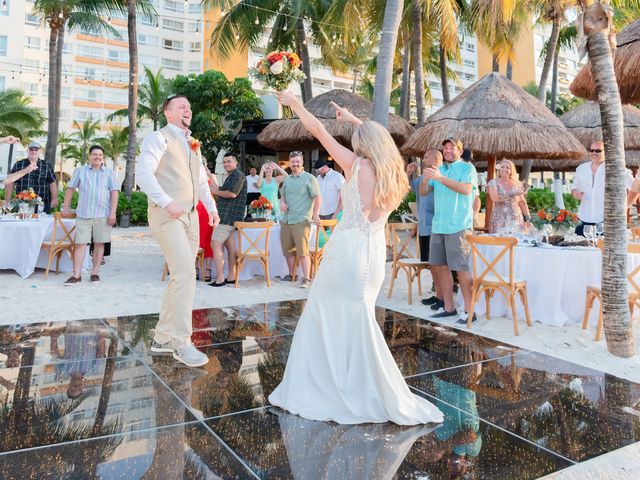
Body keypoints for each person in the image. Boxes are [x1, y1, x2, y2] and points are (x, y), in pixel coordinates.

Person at [268, 91, 443, 425]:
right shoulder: (395, 172)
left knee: (323, 309)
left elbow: (319, 131)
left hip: (347, 251)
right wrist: (353, 121)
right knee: (357, 315)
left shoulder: (358, 164)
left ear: (364, 145)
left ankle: (331, 386)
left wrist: (296, 105)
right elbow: (380, 141)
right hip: (374, 254)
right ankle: (359, 384)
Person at [136, 94, 220, 368]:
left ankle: (162, 337)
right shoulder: (158, 138)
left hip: (192, 216)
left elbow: (200, 181)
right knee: (185, 274)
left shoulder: (192, 144)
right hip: (167, 214)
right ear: (168, 113)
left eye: (189, 106)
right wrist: (166, 201)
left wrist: (211, 207)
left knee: (180, 278)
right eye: (181, 106)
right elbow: (143, 174)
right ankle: (182, 342)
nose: (188, 109)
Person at [423, 137, 478, 324]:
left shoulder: (467, 168)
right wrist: (426, 177)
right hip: (438, 225)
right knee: (439, 267)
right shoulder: (439, 170)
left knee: (461, 270)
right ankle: (449, 308)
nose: (448, 150)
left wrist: (440, 178)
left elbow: (465, 190)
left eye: (452, 148)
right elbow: (423, 192)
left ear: (460, 151)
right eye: (445, 147)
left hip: (459, 225)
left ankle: (470, 312)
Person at [62, 145, 119, 285]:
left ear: (103, 157)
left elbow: (115, 193)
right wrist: (66, 207)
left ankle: (95, 273)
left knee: (99, 244)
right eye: (95, 154)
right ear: (90, 156)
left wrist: (113, 213)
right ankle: (76, 275)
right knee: (80, 244)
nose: (97, 157)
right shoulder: (80, 171)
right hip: (83, 214)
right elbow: (70, 189)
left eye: (100, 155)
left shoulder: (109, 173)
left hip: (103, 214)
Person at [279, 151, 321, 288]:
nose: (295, 164)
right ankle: (292, 275)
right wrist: (282, 202)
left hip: (302, 219)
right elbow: (282, 196)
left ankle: (307, 279)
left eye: (297, 162)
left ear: (302, 162)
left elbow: (317, 197)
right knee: (288, 251)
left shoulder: (310, 178)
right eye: (293, 162)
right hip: (286, 220)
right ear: (289, 163)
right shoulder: (287, 179)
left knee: (303, 251)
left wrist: (315, 214)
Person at [573, 141, 633, 236]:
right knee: (578, 248)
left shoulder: (616, 168)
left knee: (603, 250)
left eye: (598, 151)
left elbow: (634, 186)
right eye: (591, 150)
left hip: (607, 220)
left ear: (606, 152)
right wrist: (575, 193)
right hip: (583, 218)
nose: (594, 153)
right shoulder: (581, 169)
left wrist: (625, 205)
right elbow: (574, 187)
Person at [407, 150, 442, 306]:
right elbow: (407, 188)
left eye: (426, 157)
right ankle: (438, 292)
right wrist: (408, 173)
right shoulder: (421, 178)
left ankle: (442, 294)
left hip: (436, 227)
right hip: (423, 227)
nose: (423, 159)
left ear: (435, 160)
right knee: (430, 262)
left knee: (438, 263)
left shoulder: (440, 178)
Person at [209, 154, 247, 287]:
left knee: (215, 244)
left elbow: (232, 193)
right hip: (228, 216)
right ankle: (231, 276)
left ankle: (220, 278)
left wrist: (216, 191)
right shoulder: (231, 176)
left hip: (228, 217)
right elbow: (226, 190)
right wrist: (216, 187)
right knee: (230, 248)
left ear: (236, 162)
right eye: (224, 162)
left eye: (229, 162)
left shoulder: (238, 175)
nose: (226, 164)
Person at [4, 141, 58, 213]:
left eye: (36, 149)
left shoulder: (46, 165)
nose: (33, 151)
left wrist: (54, 200)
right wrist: (7, 201)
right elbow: (10, 183)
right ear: (28, 150)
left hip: (42, 205)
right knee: (21, 224)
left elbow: (52, 182)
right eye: (31, 149)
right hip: (22, 205)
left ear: (40, 151)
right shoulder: (18, 164)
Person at [486, 160, 530, 234]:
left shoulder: (517, 183)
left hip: (516, 219)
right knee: (500, 243)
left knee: (517, 242)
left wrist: (528, 219)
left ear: (511, 170)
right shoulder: (493, 183)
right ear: (499, 169)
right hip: (499, 219)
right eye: (502, 167)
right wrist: (513, 194)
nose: (504, 169)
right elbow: (495, 199)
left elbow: (522, 202)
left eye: (507, 168)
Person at [196, 164, 218, 282]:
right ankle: (196, 268)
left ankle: (208, 268)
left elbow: (217, 188)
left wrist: (209, 174)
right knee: (196, 237)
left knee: (209, 238)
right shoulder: (193, 175)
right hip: (197, 208)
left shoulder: (211, 176)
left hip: (209, 209)